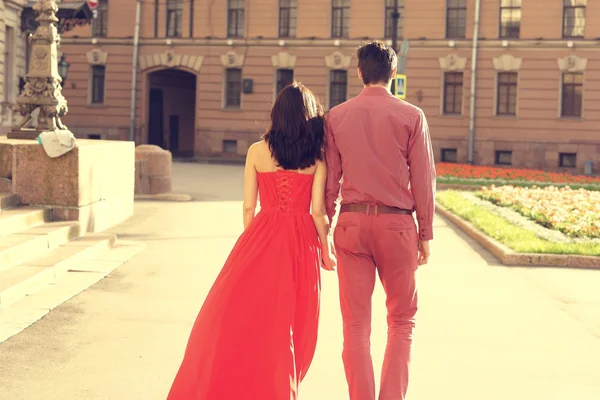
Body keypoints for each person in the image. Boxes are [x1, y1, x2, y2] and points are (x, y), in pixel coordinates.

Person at [167, 82, 335, 400]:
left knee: (244, 317)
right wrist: (326, 252)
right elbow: (317, 212)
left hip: (261, 236)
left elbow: (248, 206)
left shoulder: (256, 152)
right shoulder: (317, 158)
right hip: (301, 243)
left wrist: (252, 244)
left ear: (277, 115)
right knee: (293, 321)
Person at [325, 41, 436, 400]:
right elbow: (423, 179)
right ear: (393, 72)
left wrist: (326, 227)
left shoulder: (337, 116)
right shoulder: (412, 116)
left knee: (355, 326)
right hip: (397, 226)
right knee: (401, 321)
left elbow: (330, 180)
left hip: (351, 226)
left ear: (359, 72)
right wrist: (426, 233)